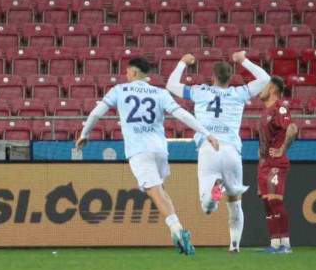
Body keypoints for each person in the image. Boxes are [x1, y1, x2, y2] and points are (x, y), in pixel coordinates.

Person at [76, 58, 220, 256]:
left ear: (133, 73)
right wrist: (207, 133)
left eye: (127, 72)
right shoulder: (160, 93)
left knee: (155, 192)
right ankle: (183, 226)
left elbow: (95, 114)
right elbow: (182, 115)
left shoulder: (119, 90)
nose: (126, 76)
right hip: (160, 150)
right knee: (159, 191)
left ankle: (177, 230)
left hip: (139, 150)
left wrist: (84, 135)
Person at [166, 50, 271, 254]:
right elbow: (265, 79)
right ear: (230, 78)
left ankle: (215, 193)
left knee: (207, 207)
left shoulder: (200, 91)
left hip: (208, 149)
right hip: (231, 151)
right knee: (234, 202)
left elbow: (170, 85)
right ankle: (234, 246)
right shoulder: (239, 93)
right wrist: (243, 60)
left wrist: (182, 62)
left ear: (212, 78)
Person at [256, 76, 298, 254]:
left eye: (264, 86)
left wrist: (282, 149)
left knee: (275, 201)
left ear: (272, 89)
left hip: (276, 163)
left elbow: (293, 128)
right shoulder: (265, 112)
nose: (261, 90)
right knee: (267, 204)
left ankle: (285, 244)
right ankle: (274, 244)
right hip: (264, 164)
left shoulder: (278, 109)